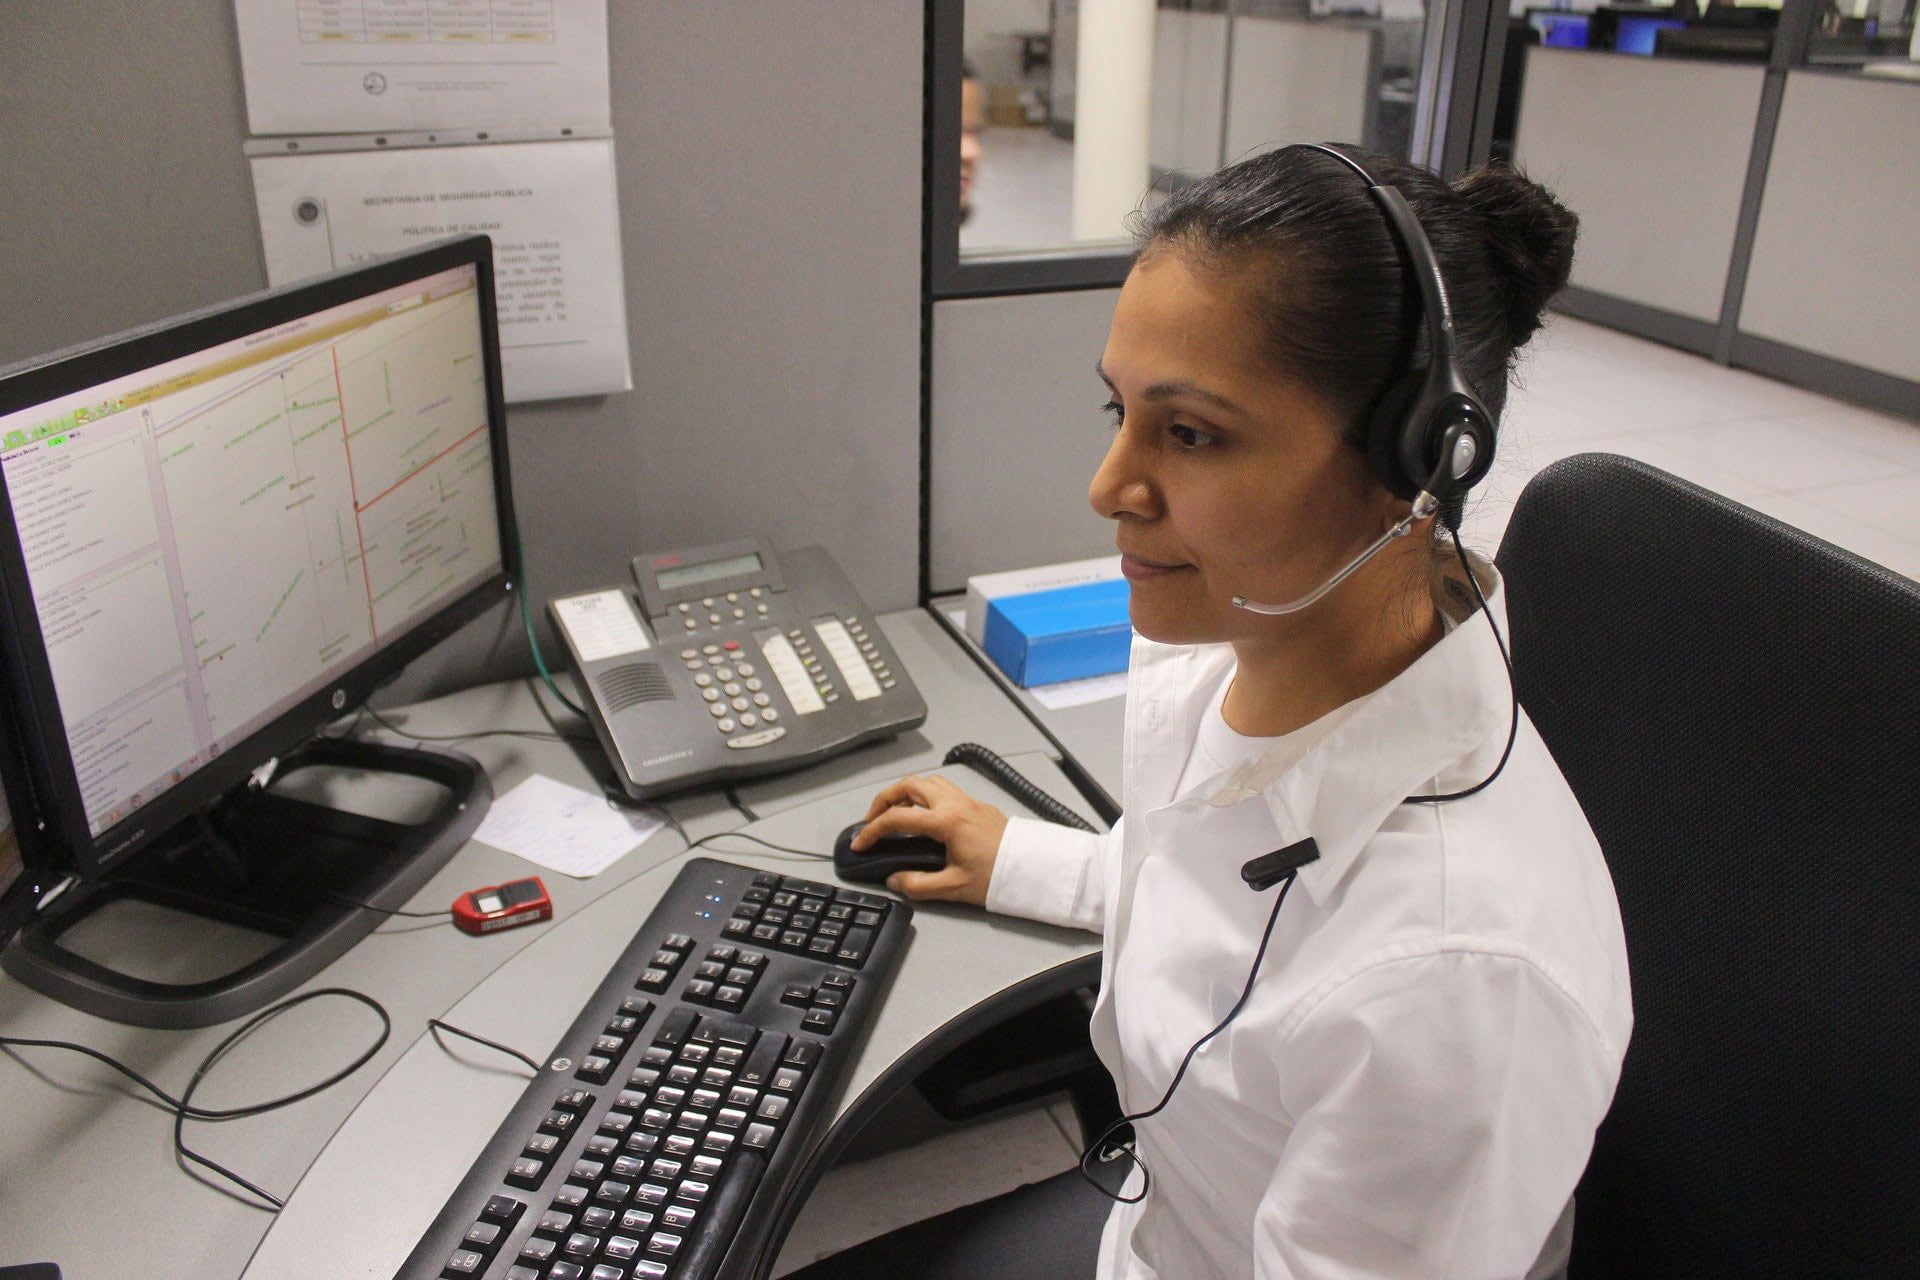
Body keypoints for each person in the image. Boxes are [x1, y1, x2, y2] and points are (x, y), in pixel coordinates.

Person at [800, 143, 1631, 1280]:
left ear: (1420, 459)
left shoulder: (1453, 981)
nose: (1107, 485)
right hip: (1157, 1222)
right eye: (1120, 408)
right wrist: (1029, 861)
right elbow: (1215, 880)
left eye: (1188, 433)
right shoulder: (1243, 649)